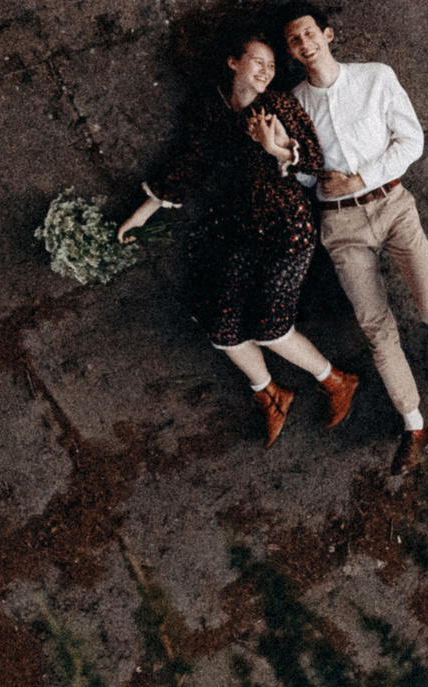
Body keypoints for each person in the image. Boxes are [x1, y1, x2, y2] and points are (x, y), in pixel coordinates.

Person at [279, 2, 428, 476]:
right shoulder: (293, 105)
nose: (305, 44)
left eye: (310, 33)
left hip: (392, 205)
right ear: (291, 52)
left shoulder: (375, 77)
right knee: (377, 329)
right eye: (295, 40)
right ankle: (413, 423)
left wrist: (359, 178)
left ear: (328, 35)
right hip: (340, 225)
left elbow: (411, 141)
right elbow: (306, 180)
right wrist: (285, 160)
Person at [117, 34, 359, 447]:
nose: (266, 71)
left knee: (270, 328)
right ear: (233, 62)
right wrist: (139, 215)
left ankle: (337, 381)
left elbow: (315, 161)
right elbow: (188, 166)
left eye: (271, 66)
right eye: (257, 62)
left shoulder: (278, 105)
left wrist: (274, 147)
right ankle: (270, 393)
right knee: (222, 326)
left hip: (287, 228)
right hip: (244, 230)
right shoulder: (213, 110)